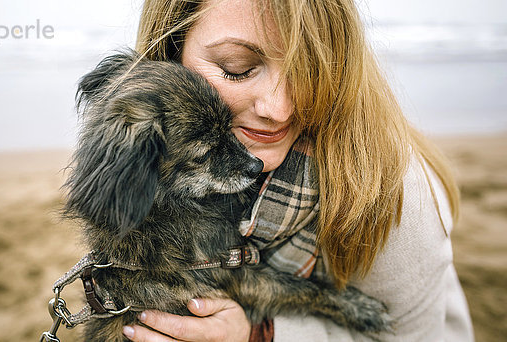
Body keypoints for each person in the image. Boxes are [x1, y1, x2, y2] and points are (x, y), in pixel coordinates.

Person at [121, 0, 475, 341]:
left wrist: (259, 336)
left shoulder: (394, 190)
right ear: (170, 49)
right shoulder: (147, 160)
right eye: (237, 67)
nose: (278, 108)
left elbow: (412, 336)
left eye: (307, 70)